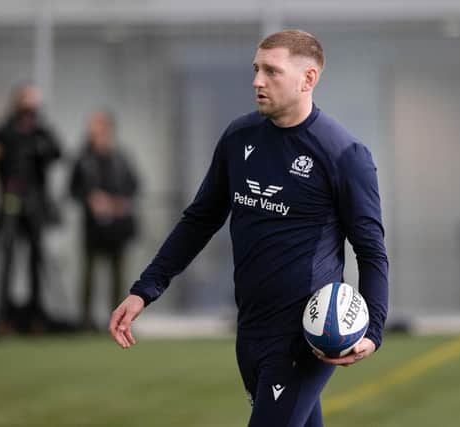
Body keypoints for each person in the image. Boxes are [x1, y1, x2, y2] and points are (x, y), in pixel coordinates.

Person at [109, 30, 389, 426]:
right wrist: (145, 290)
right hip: (251, 327)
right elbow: (200, 219)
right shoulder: (239, 137)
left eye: (271, 71)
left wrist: (373, 331)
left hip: (303, 338)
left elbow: (371, 250)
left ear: (308, 80)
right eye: (256, 69)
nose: (257, 81)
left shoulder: (344, 154)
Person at [0, 84, 62, 335]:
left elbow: (58, 152)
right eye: (28, 101)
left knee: (35, 263)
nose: (32, 108)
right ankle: (2, 318)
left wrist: (40, 151)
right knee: (6, 262)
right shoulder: (5, 132)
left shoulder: (41, 133)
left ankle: (36, 319)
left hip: (35, 206)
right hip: (8, 203)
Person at [70, 111, 139, 331]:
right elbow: (72, 190)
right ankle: (86, 321)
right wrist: (91, 199)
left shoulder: (121, 158)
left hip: (118, 228)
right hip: (93, 228)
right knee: (89, 274)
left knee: (118, 275)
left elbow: (134, 185)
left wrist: (119, 203)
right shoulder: (82, 160)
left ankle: (119, 320)